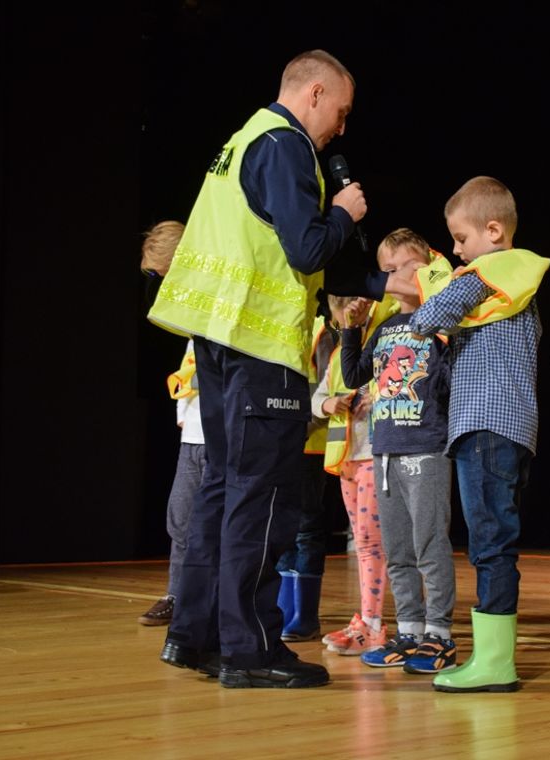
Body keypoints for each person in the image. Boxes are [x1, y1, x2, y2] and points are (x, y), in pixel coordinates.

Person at [146, 50, 383, 689]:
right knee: (263, 498)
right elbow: (307, 246)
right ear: (313, 94)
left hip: (221, 344)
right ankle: (248, 650)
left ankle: (193, 636)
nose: (341, 126)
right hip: (260, 352)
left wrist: (380, 281)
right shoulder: (283, 145)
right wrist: (346, 214)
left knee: (222, 491)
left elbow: (289, 250)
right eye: (340, 110)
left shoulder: (242, 139)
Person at [408, 177, 550, 693]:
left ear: (493, 231)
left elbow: (426, 320)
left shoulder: (484, 276)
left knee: (490, 543)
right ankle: (491, 656)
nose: (455, 249)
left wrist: (435, 281)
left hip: (486, 425)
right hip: (511, 426)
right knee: (494, 541)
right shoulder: (518, 288)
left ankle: (495, 663)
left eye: (461, 239)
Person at [338, 228, 458, 674]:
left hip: (425, 449)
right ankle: (407, 631)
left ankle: (439, 634)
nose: (390, 279)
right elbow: (354, 374)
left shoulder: (441, 324)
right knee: (398, 550)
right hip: (384, 449)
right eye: (384, 271)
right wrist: (351, 329)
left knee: (429, 546)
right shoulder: (386, 326)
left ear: (426, 267)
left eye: (399, 269)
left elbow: (450, 383)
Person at [137, 220, 207, 627]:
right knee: (180, 516)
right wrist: (182, 414)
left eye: (164, 275)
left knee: (214, 519)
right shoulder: (188, 313)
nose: (163, 286)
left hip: (219, 432)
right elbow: (190, 366)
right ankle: (177, 595)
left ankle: (211, 599)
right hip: (194, 433)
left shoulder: (209, 297)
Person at [312, 295, 388, 656]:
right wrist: (331, 404)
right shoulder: (338, 352)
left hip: (374, 453)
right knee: (360, 541)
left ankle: (373, 625)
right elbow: (319, 397)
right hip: (347, 459)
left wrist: (368, 396)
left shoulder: (380, 342)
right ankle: (365, 619)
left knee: (373, 543)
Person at [275, 310, 336, 642]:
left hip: (308, 439)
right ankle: (284, 610)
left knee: (305, 527)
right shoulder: (279, 325)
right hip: (281, 439)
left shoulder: (320, 330)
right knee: (284, 525)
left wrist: (300, 427)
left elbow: (326, 387)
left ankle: (304, 615)